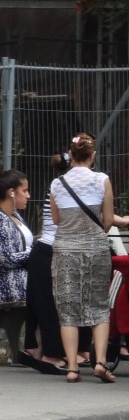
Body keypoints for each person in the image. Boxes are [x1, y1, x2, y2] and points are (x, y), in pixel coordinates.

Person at [50, 133, 129, 383]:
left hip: (65, 248)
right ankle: (100, 362)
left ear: (71, 154)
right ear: (92, 155)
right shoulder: (102, 180)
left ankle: (72, 368)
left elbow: (56, 220)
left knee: (67, 308)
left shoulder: (57, 184)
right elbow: (108, 219)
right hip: (96, 248)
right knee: (98, 304)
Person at [21, 154, 72, 373]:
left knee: (41, 303)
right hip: (54, 250)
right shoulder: (67, 190)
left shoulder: (54, 188)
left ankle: (36, 349)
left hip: (43, 249)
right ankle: (51, 353)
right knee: (52, 304)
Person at [0, 169, 33, 369]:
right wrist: (35, 253)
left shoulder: (16, 216)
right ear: (12, 192)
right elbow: (5, 259)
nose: (28, 195)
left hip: (23, 279)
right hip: (8, 283)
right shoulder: (1, 220)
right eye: (25, 190)